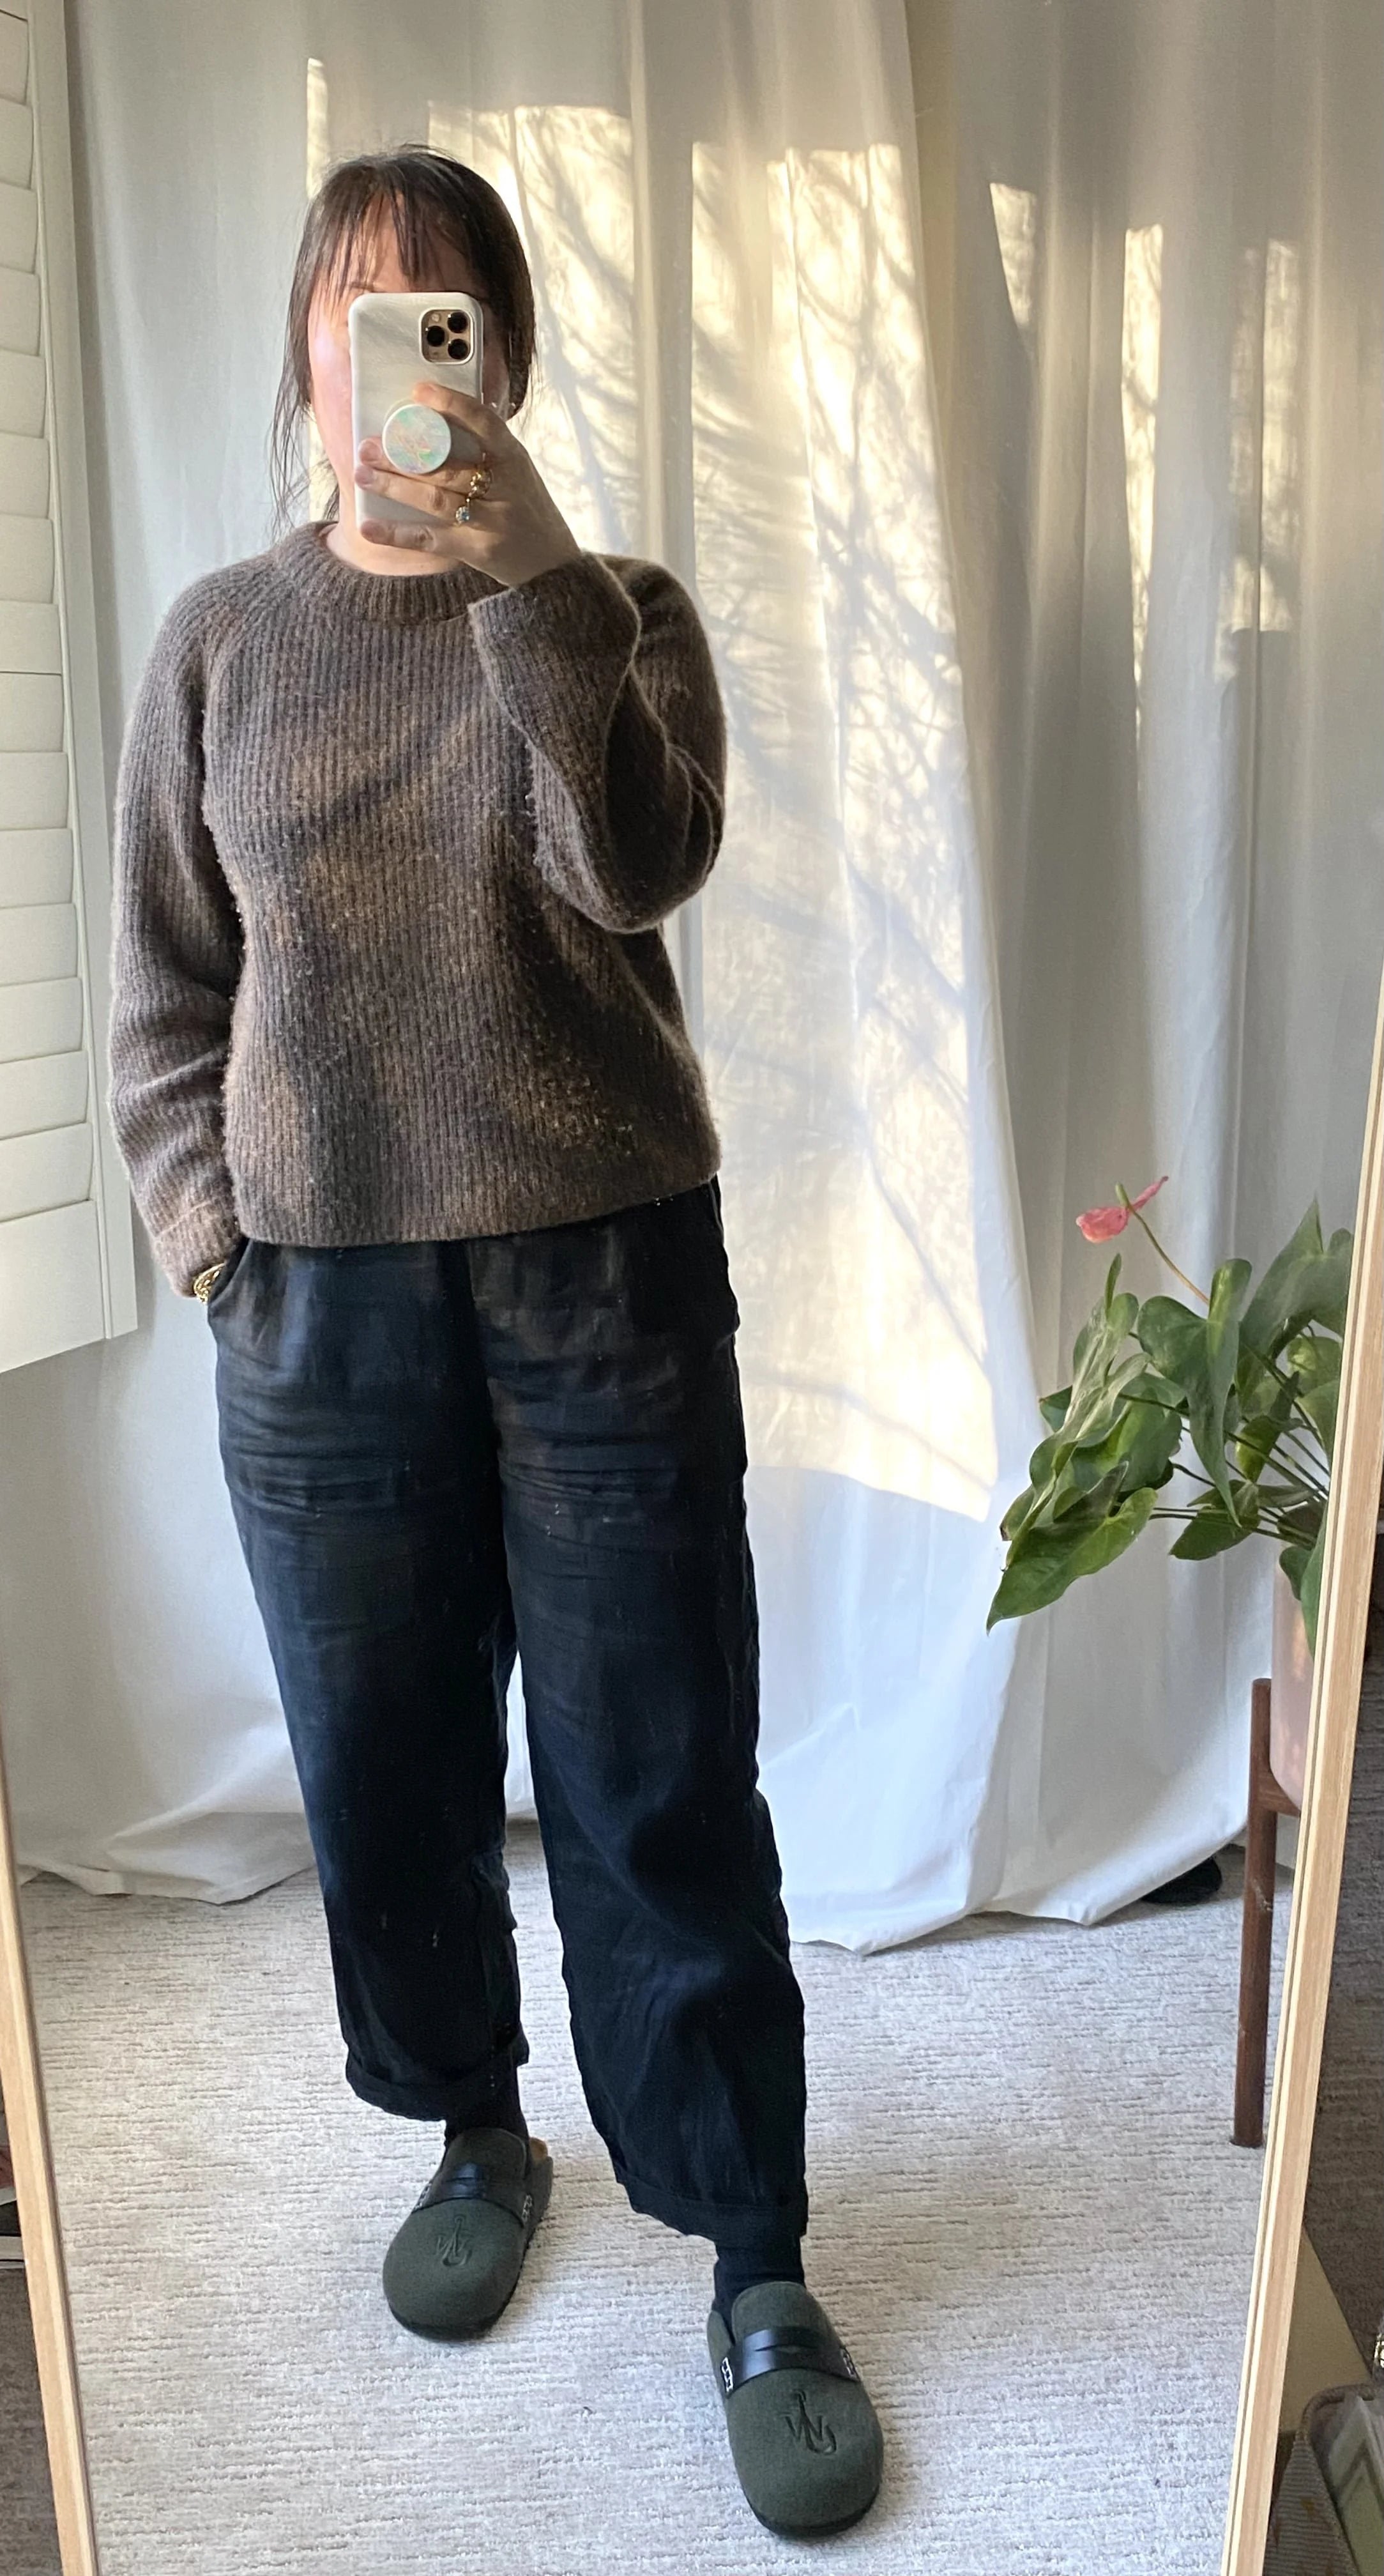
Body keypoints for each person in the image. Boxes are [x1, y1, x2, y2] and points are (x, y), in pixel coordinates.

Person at [105, 144, 883, 2538]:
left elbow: (634, 864)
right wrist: (216, 1239)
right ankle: (473, 2126)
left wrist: (526, 574)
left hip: (604, 1274)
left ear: (506, 360)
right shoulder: (220, 642)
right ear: (304, 357)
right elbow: (165, 994)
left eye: (441, 319)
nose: (397, 366)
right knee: (387, 1769)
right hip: (320, 1304)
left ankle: (751, 2251)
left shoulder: (617, 610)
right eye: (358, 316)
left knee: (660, 1768)